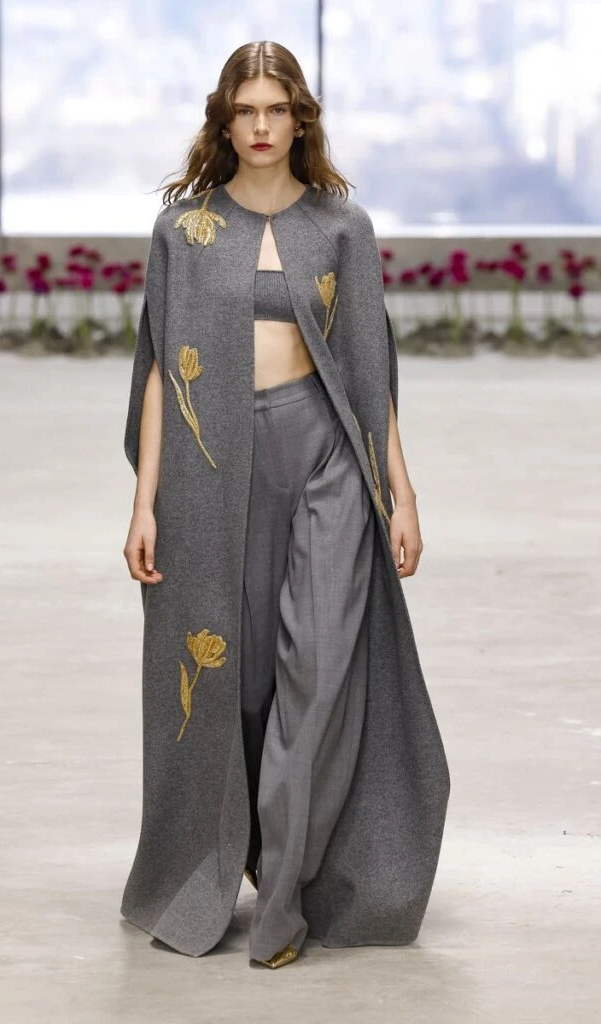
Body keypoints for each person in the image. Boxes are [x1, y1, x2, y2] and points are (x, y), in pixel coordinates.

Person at [121, 40, 450, 971]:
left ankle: (284, 905)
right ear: (223, 121)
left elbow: (369, 371)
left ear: (299, 119)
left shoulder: (342, 227)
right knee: (239, 677)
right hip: (212, 465)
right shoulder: (183, 231)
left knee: (318, 676)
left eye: (276, 110)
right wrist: (144, 503)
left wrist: (401, 492)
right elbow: (159, 371)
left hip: (326, 455)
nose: (261, 127)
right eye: (245, 111)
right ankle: (224, 859)